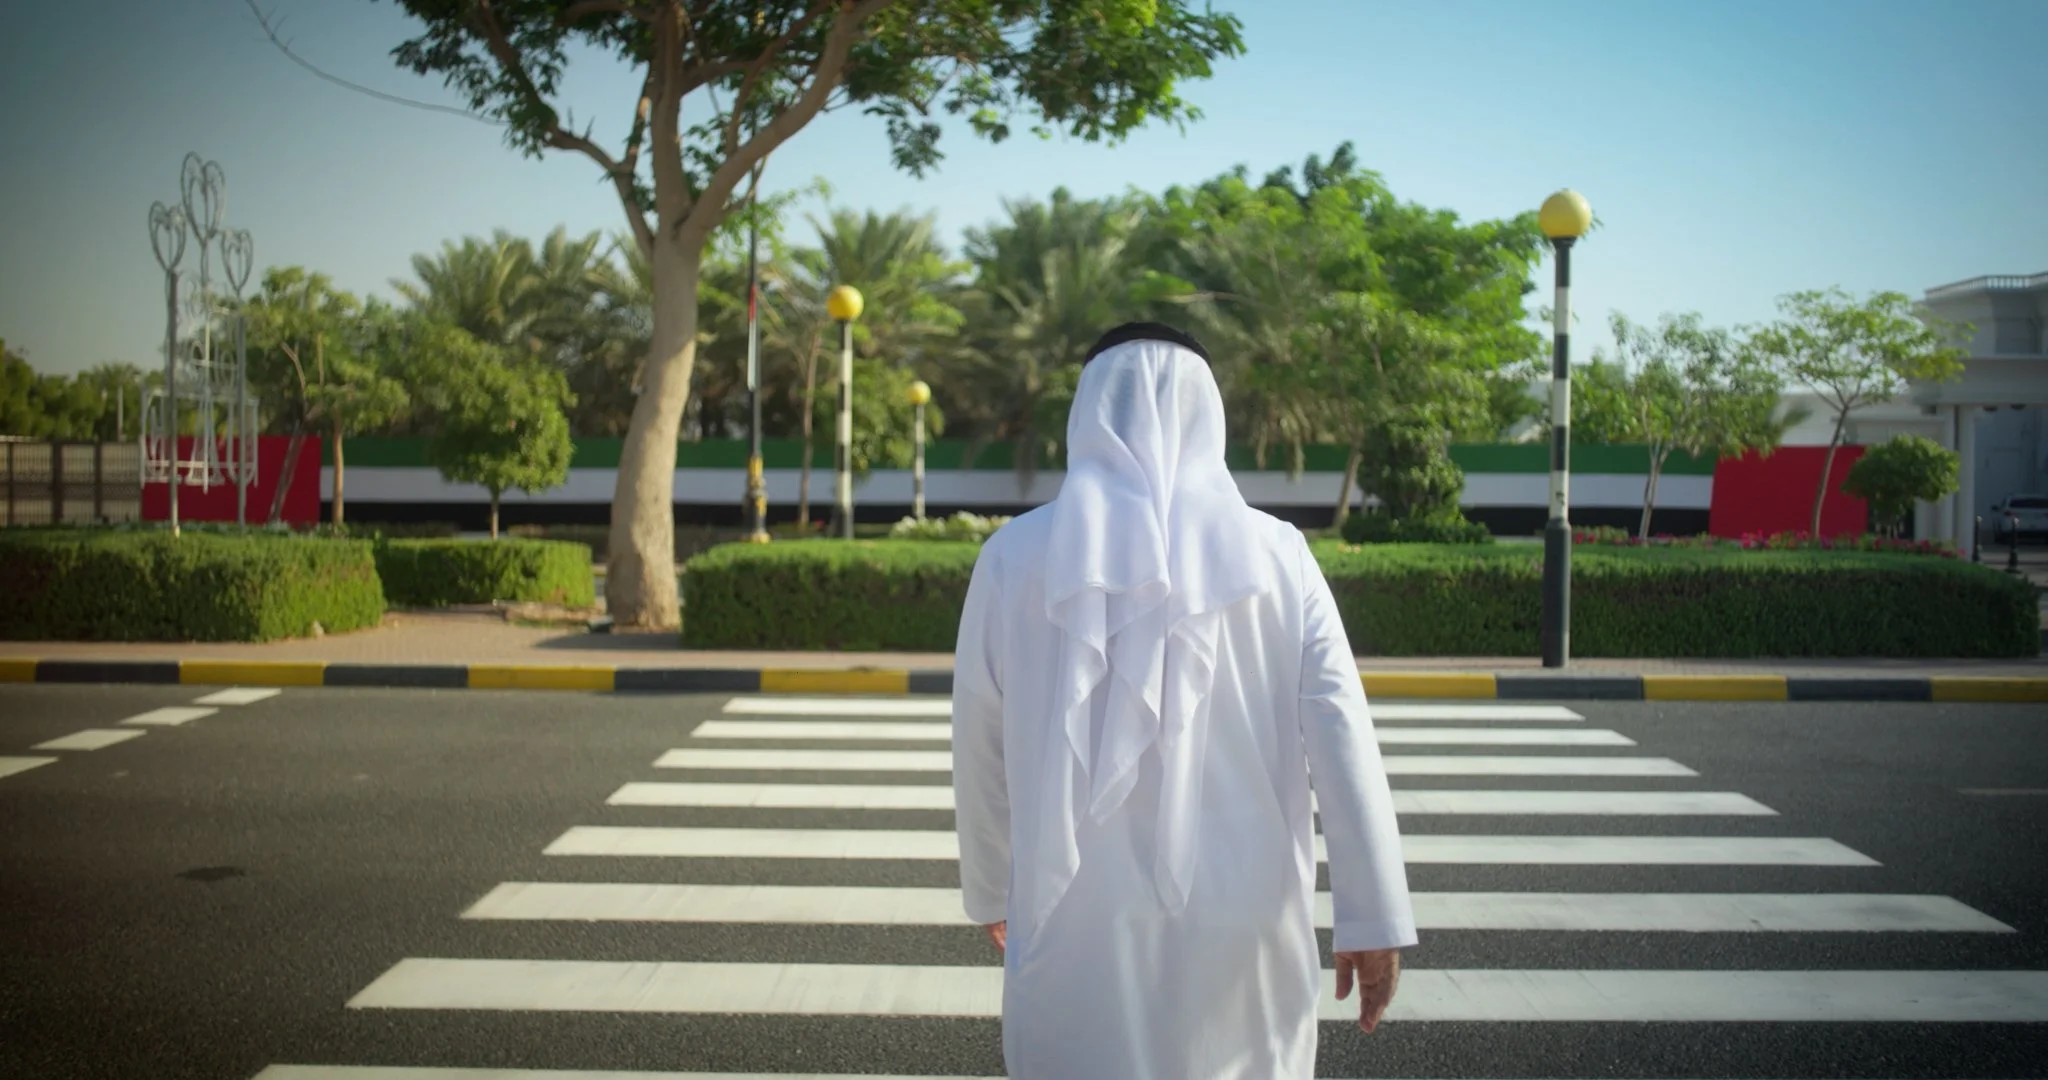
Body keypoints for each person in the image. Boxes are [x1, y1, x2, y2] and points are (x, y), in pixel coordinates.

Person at [951, 323, 1416, 1080]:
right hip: (1249, 913)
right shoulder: (1279, 555)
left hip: (1072, 917)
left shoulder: (1013, 557)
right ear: (1211, 413)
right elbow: (1342, 736)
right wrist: (1373, 918)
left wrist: (992, 883)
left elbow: (978, 737)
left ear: (1088, 413)